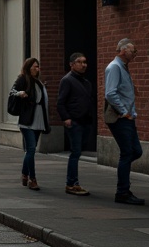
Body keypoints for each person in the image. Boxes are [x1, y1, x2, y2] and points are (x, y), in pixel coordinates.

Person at [104, 38, 144, 205]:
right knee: (127, 153)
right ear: (122, 51)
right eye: (132, 51)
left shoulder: (122, 67)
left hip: (127, 117)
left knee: (136, 151)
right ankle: (122, 192)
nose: (134, 54)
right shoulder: (114, 67)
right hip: (120, 118)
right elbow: (110, 93)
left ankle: (123, 189)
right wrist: (124, 111)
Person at [56, 52, 95, 196]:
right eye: (80, 62)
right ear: (72, 65)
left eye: (85, 62)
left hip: (85, 122)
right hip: (75, 122)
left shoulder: (86, 82)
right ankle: (71, 183)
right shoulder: (67, 80)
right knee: (75, 152)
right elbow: (60, 102)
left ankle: (74, 182)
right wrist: (66, 118)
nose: (83, 64)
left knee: (78, 152)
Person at [9, 57, 50, 191]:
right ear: (28, 68)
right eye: (34, 67)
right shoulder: (23, 79)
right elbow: (12, 91)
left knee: (30, 150)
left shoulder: (39, 82)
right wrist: (20, 93)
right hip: (27, 120)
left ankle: (24, 174)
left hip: (38, 119)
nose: (37, 69)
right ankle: (32, 179)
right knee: (31, 149)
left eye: (38, 67)